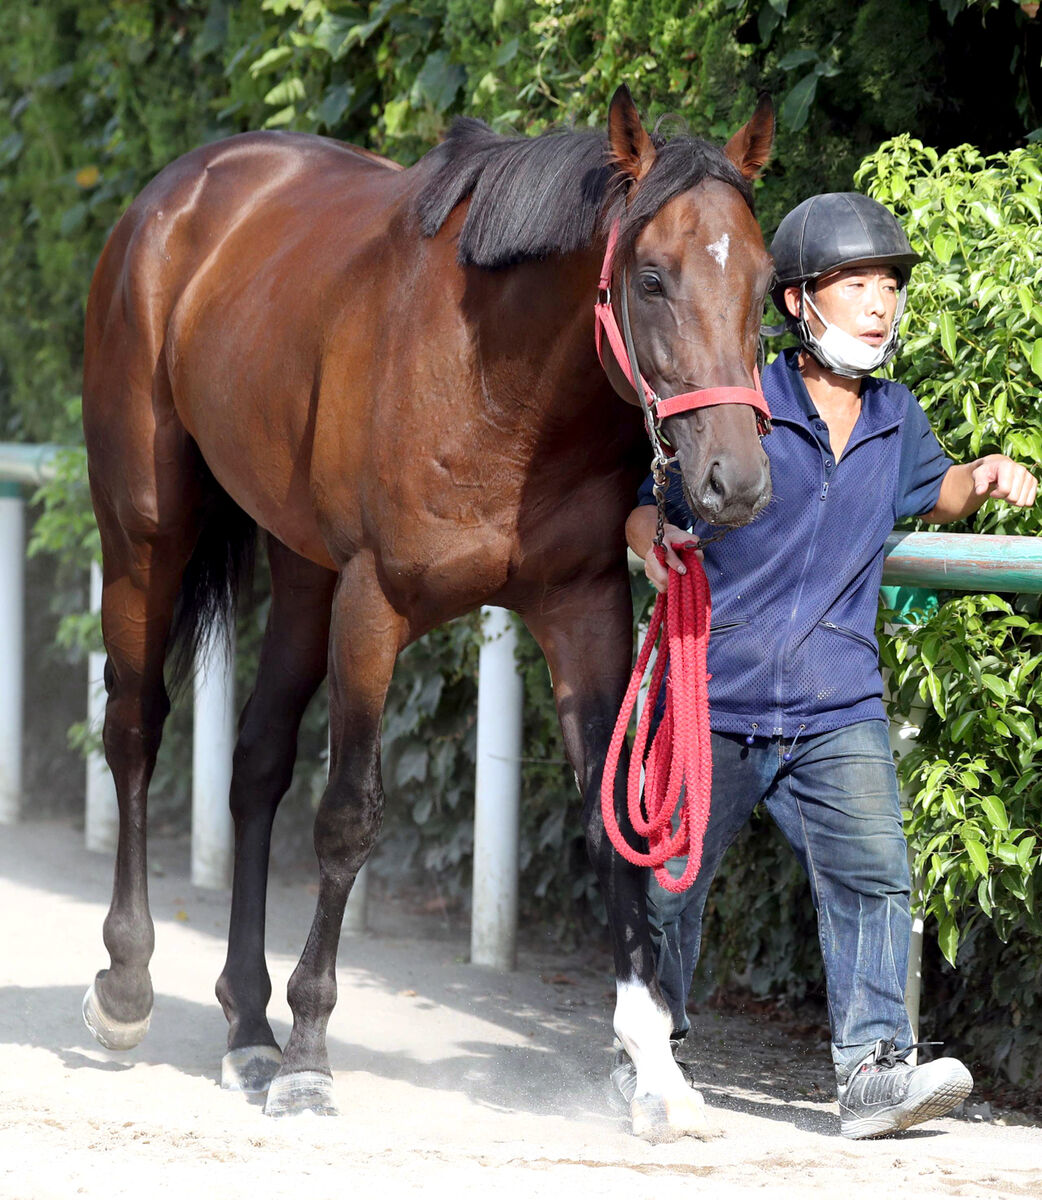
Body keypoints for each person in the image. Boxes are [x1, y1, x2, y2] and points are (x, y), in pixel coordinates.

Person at [620, 192, 1038, 1139]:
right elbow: (646, 508)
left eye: (889, 286)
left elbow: (948, 493)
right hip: (713, 693)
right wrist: (652, 543)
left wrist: (992, 471)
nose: (880, 304)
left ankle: (872, 1073)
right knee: (669, 879)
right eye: (858, 285)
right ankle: (652, 1058)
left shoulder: (897, 420)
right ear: (802, 300)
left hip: (834, 697)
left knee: (874, 873)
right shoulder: (742, 402)